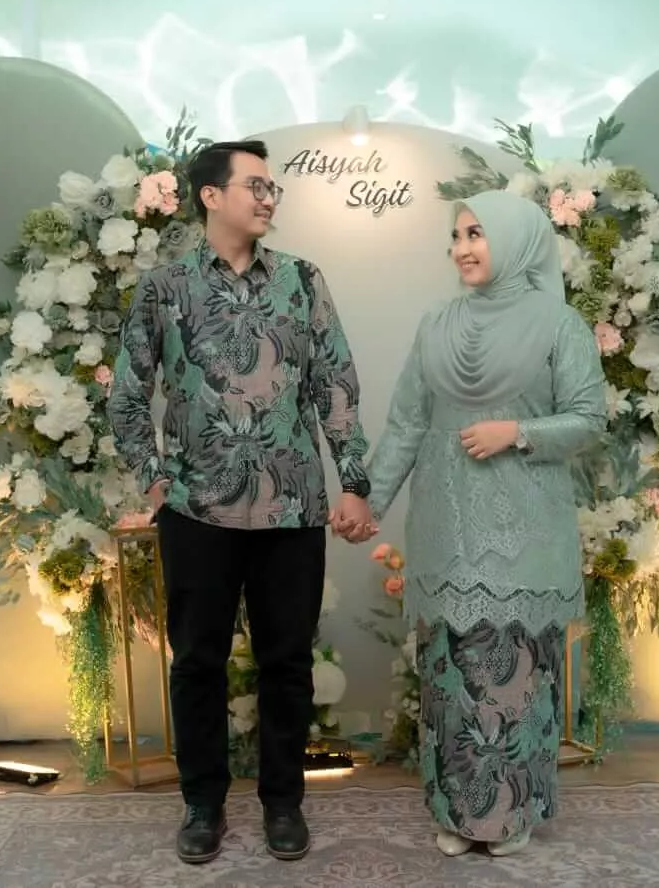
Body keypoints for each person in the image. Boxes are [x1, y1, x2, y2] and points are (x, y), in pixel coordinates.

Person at [108, 139, 376, 865]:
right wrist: (155, 481)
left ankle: (283, 803)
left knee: (287, 663)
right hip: (196, 510)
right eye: (254, 185)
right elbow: (127, 395)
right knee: (197, 663)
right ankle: (202, 805)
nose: (268, 197)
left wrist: (353, 482)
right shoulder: (165, 288)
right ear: (211, 196)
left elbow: (335, 385)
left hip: (292, 509)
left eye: (272, 188)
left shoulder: (302, 280)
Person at [365, 189, 606, 857]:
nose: (462, 248)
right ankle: (455, 814)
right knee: (451, 680)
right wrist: (368, 502)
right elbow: (407, 423)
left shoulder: (559, 326)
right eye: (457, 235)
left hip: (524, 528)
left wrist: (517, 432)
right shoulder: (436, 324)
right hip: (446, 527)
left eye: (477, 234)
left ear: (516, 241)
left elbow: (589, 419)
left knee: (513, 680)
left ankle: (507, 817)